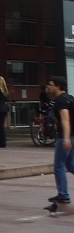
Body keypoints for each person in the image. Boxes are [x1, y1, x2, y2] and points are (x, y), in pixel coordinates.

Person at [44, 76, 74, 214]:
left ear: (58, 86)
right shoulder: (69, 98)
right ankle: (62, 196)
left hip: (66, 137)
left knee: (59, 166)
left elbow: (65, 119)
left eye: (50, 85)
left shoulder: (61, 101)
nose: (48, 87)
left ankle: (63, 195)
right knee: (70, 165)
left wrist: (66, 138)